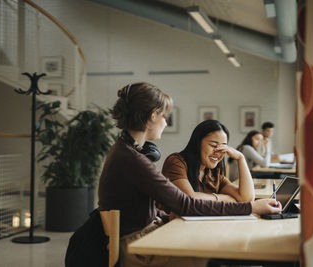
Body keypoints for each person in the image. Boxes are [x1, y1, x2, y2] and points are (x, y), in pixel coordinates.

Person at [97, 82, 281, 267]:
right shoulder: (133, 159)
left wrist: (166, 215)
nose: (166, 123)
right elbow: (187, 203)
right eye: (165, 116)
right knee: (216, 257)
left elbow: (145, 207)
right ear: (153, 115)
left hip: (145, 235)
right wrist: (252, 208)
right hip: (138, 246)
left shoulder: (125, 151)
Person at [162, 120, 254, 203]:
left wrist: (241, 158)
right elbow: (189, 199)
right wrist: (222, 198)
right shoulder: (176, 162)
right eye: (213, 145)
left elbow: (246, 198)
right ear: (197, 143)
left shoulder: (213, 174)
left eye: (223, 147)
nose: (218, 152)